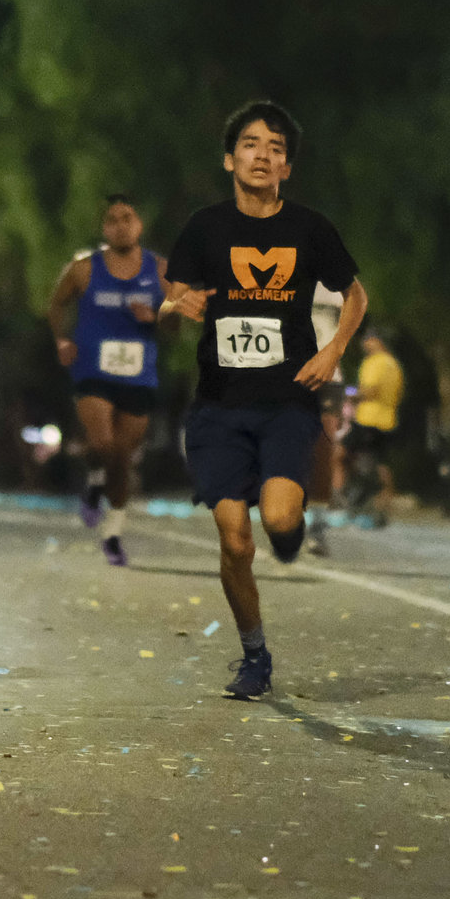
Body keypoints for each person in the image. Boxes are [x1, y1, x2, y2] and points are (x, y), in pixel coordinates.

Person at [165, 100, 368, 702]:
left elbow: (354, 296)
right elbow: (175, 286)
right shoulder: (206, 227)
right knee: (235, 540)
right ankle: (255, 655)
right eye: (252, 144)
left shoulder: (310, 229)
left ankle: (291, 527)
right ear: (230, 158)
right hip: (219, 406)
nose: (263, 155)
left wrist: (332, 352)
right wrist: (182, 303)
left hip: (287, 401)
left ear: (287, 168)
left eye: (276, 148)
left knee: (279, 521)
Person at [47, 195, 168, 566]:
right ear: (104, 228)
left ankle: (112, 529)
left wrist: (155, 317)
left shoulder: (161, 271)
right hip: (93, 370)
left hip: (138, 374)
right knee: (102, 442)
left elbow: (178, 319)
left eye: (127, 218)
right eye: (112, 220)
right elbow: (55, 304)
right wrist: (62, 339)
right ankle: (96, 475)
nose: (120, 225)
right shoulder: (83, 269)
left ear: (139, 225)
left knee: (122, 459)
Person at [343, 325, 405, 528]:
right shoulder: (394, 365)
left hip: (369, 420)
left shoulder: (375, 363)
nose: (364, 343)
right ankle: (381, 506)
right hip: (388, 420)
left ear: (377, 341)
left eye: (368, 339)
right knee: (382, 465)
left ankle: (350, 499)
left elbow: (369, 391)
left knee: (340, 455)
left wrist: (348, 396)